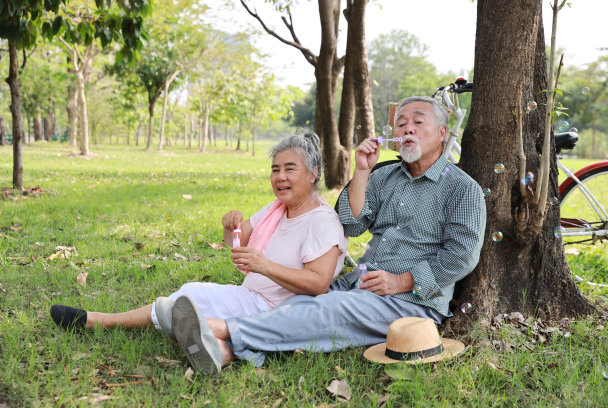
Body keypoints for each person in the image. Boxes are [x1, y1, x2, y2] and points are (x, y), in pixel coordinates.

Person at [168, 96, 487, 374]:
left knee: (327, 310)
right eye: (401, 124)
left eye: (418, 123)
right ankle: (226, 352)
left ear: (443, 134)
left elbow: (461, 255)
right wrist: (362, 171)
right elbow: (352, 225)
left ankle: (216, 329)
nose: (407, 130)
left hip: (411, 300)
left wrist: (401, 281)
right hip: (363, 282)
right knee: (302, 300)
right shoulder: (385, 176)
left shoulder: (461, 189)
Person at [49, 132, 348, 352]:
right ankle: (213, 346)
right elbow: (236, 240)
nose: (280, 176)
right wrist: (229, 228)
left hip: (274, 310)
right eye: (275, 169)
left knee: (188, 297)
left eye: (289, 169)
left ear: (313, 174)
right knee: (187, 299)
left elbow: (318, 282)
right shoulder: (277, 208)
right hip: (251, 298)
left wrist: (266, 267)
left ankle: (99, 321)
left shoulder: (320, 220)